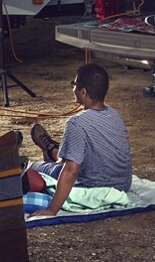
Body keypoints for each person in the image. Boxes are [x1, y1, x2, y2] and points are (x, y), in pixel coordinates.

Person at [26, 63, 133, 218]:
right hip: (123, 185)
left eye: (74, 84)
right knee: (71, 157)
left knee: (35, 167)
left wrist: (52, 210)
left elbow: (71, 171)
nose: (73, 88)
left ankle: (51, 150)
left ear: (83, 92)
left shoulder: (76, 123)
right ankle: (54, 150)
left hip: (91, 186)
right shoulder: (115, 115)